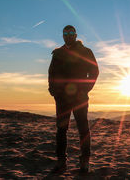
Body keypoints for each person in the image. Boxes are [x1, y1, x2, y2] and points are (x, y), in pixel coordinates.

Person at [48, 25, 99, 173]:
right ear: (62, 35)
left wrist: (85, 90)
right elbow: (51, 73)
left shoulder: (86, 52)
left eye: (71, 33)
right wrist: (53, 91)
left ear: (76, 35)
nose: (68, 35)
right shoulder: (57, 53)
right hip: (62, 98)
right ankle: (61, 162)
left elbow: (94, 71)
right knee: (61, 130)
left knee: (83, 129)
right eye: (65, 33)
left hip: (80, 98)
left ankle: (84, 162)